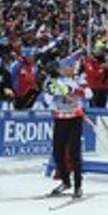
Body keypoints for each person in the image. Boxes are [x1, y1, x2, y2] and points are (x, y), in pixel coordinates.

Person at [44, 57, 88, 198]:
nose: (70, 69)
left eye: (71, 66)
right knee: (58, 152)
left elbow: (88, 93)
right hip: (60, 118)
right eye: (67, 67)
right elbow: (48, 97)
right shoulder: (55, 81)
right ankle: (65, 181)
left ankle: (78, 185)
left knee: (75, 153)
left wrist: (73, 91)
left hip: (75, 118)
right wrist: (55, 91)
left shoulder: (78, 79)